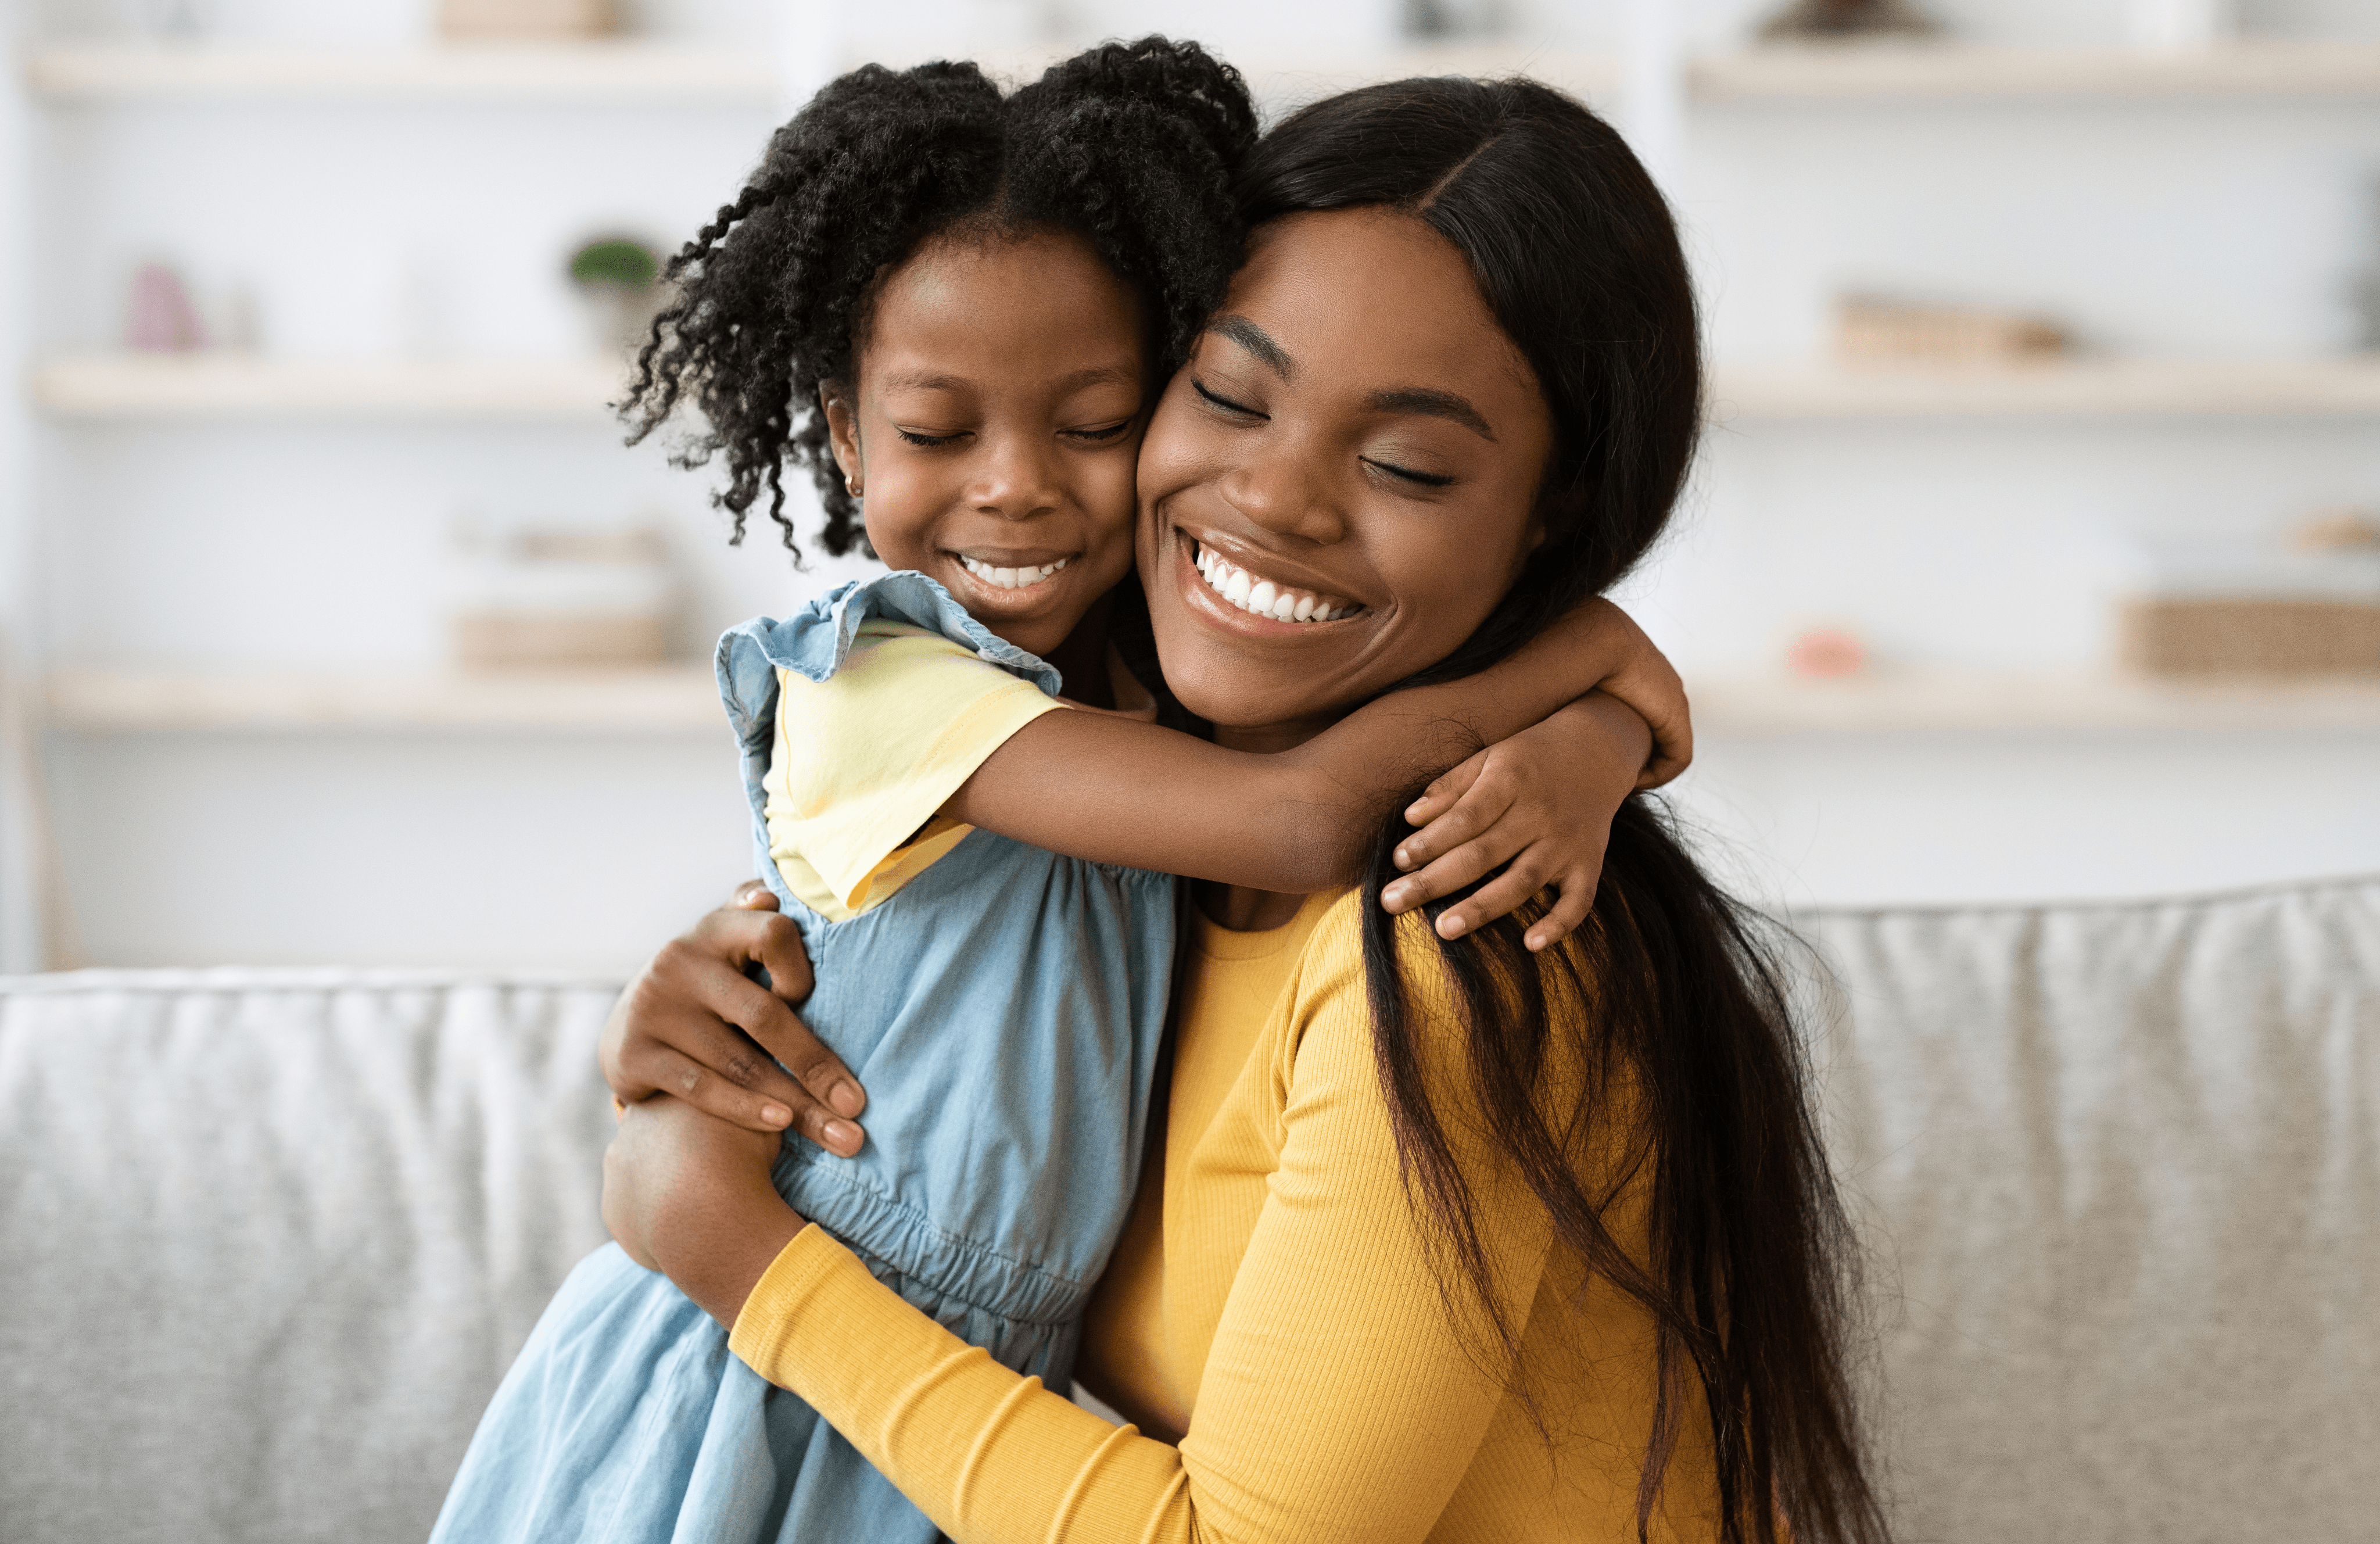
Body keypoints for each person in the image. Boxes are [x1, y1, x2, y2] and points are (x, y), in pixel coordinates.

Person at [601, 74, 1890, 1544]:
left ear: (1551, 519)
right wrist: (720, 1008)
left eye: (1404, 462)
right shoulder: (1119, 836)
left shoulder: (1459, 941)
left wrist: (747, 1256)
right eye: (1223, 392)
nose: (1274, 500)